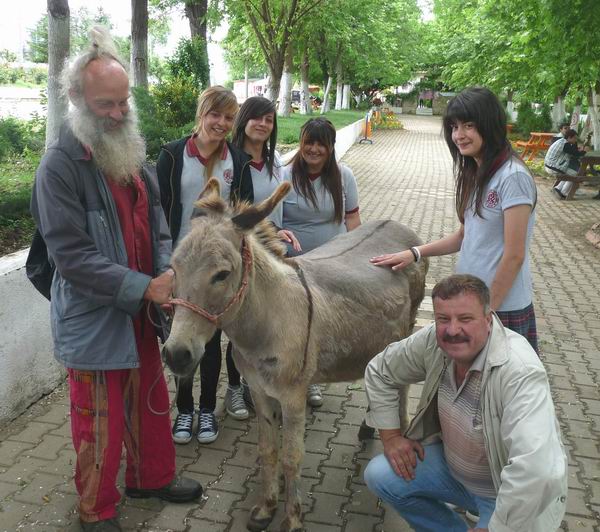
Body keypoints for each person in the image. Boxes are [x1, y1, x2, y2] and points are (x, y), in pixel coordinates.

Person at [30, 27, 202, 531]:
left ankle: (150, 478)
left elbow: (161, 226)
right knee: (97, 421)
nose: (119, 113)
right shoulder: (59, 166)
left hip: (143, 313)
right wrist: (142, 287)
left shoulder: (133, 156)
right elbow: (72, 257)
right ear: (75, 100)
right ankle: (97, 510)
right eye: (107, 104)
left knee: (150, 404)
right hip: (95, 320)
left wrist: (168, 271)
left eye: (123, 101)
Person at [363, 274, 567, 532]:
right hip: (455, 474)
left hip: (507, 497)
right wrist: (391, 437)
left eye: (466, 319)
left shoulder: (520, 371)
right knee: (380, 475)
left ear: (488, 320)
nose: (452, 330)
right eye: (443, 319)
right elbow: (380, 370)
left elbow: (538, 469)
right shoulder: (433, 341)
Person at [371, 87, 539, 354]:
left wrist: (487, 313)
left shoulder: (512, 177)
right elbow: (464, 237)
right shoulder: (478, 171)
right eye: (454, 126)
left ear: (489, 124)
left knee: (499, 393)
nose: (459, 135)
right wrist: (413, 253)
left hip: (499, 308)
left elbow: (515, 255)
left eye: (469, 126)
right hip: (472, 305)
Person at [157, 86, 251, 446]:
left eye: (229, 117)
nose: (222, 123)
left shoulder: (237, 161)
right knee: (179, 338)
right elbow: (161, 213)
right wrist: (163, 264)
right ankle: (183, 410)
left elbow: (242, 219)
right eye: (216, 115)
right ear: (202, 113)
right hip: (179, 265)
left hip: (214, 268)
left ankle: (208, 410)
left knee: (210, 341)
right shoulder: (172, 154)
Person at [281, 117, 362, 406]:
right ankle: (287, 379)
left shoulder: (344, 176)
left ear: (330, 147)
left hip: (332, 268)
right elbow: (273, 224)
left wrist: (357, 252)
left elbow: (352, 217)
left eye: (321, 144)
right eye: (309, 142)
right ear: (301, 143)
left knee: (321, 327)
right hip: (293, 270)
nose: (314, 149)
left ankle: (311, 380)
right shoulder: (283, 175)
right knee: (294, 328)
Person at [544, 128, 589, 199]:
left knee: (570, 172)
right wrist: (584, 151)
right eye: (574, 138)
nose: (575, 140)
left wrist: (578, 150)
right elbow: (576, 154)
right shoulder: (565, 144)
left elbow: (573, 152)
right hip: (553, 167)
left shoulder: (562, 141)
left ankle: (558, 188)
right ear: (569, 137)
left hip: (549, 165)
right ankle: (564, 192)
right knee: (576, 174)